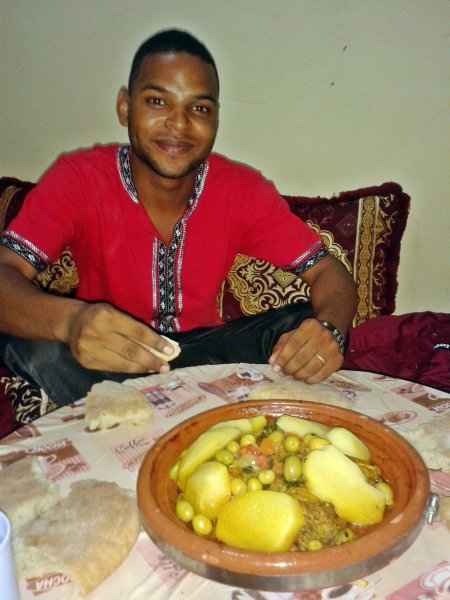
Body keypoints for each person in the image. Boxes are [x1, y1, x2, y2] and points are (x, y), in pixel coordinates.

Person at [0, 29, 357, 406]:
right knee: (27, 336)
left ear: (216, 119)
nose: (179, 123)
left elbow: (329, 273)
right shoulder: (78, 178)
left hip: (202, 357)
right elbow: (6, 270)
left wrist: (329, 331)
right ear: (125, 107)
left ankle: (160, 412)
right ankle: (160, 413)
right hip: (105, 357)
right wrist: (72, 322)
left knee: (302, 326)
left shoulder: (242, 190)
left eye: (199, 108)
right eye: (157, 101)